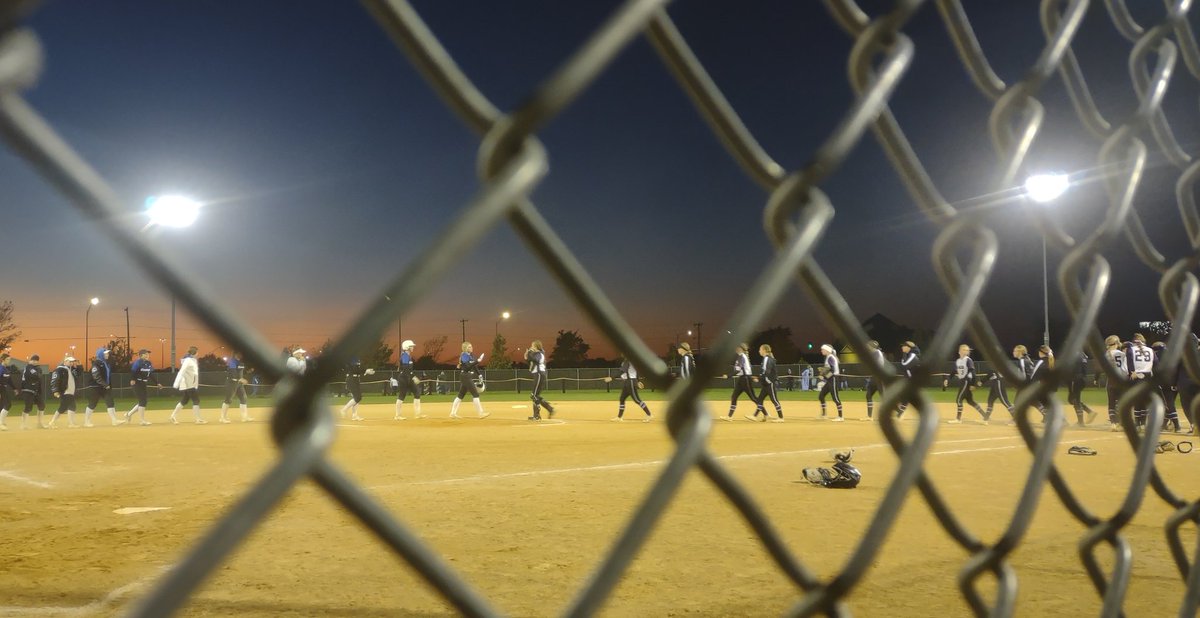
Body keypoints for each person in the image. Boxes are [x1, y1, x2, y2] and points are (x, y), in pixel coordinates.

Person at [944, 344, 988, 424]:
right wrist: (948, 379)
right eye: (964, 350)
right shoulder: (958, 361)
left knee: (959, 399)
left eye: (967, 350)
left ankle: (958, 419)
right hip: (963, 381)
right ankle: (985, 416)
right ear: (959, 351)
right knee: (970, 401)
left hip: (966, 381)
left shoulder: (968, 360)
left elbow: (972, 371)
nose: (967, 351)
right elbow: (954, 372)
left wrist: (973, 384)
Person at [83, 346, 124, 427]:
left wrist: (107, 385)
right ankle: (86, 422)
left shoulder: (105, 363)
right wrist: (105, 384)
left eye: (107, 353)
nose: (107, 355)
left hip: (105, 387)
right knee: (92, 404)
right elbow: (96, 376)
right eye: (105, 353)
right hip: (95, 387)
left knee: (110, 402)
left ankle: (114, 420)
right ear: (101, 354)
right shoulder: (96, 364)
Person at [720, 343, 761, 421]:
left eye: (737, 347)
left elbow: (738, 370)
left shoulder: (742, 356)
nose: (735, 348)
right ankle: (729, 417)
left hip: (745, 379)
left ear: (740, 349)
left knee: (753, 398)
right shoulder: (741, 356)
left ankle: (765, 413)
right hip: (742, 379)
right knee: (734, 397)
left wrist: (728, 376)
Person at [449, 342, 489, 419]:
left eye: (471, 346)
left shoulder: (470, 356)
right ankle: (481, 413)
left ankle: (452, 413)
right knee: (475, 394)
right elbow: (467, 367)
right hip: (465, 376)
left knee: (460, 395)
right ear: (465, 348)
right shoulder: (464, 355)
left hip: (466, 376)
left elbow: (474, 366)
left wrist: (479, 374)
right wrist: (477, 361)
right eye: (469, 347)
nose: (471, 348)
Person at [748, 344, 784, 422]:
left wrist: (759, 378)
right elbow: (764, 372)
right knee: (760, 399)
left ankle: (781, 418)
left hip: (770, 383)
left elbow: (766, 371)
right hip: (766, 383)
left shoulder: (767, 359)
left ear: (764, 350)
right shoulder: (767, 358)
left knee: (774, 400)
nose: (759, 351)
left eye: (760, 349)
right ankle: (755, 416)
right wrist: (759, 378)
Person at [1126, 333, 1155, 429]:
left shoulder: (1131, 349)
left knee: (1137, 399)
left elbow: (1130, 362)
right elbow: (1156, 363)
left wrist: (1132, 372)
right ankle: (1143, 423)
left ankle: (1137, 423)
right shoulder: (1150, 350)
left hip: (1136, 375)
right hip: (1148, 376)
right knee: (1144, 400)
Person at [170, 345, 205, 424]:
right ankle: (198, 419)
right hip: (188, 384)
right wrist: (176, 383)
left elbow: (194, 374)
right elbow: (182, 371)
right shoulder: (188, 360)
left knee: (184, 401)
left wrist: (195, 383)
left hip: (189, 384)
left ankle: (172, 416)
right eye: (197, 352)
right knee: (196, 400)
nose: (198, 353)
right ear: (194, 353)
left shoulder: (192, 360)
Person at [612, 356, 652, 422]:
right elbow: (636, 372)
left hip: (630, 382)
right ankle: (619, 417)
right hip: (628, 382)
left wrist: (612, 377)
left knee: (637, 400)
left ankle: (649, 415)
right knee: (622, 399)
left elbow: (622, 371)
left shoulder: (628, 361)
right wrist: (638, 381)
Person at [125, 348, 159, 425]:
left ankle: (128, 414)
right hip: (137, 383)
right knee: (142, 401)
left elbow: (150, 374)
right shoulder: (138, 362)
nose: (147, 355)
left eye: (148, 354)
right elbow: (133, 371)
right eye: (145, 354)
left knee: (143, 401)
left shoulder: (148, 363)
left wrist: (157, 383)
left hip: (143, 383)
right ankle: (141, 420)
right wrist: (132, 379)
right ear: (141, 355)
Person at [48, 355, 83, 428]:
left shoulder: (70, 369)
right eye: (70, 361)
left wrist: (79, 366)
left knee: (67, 407)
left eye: (72, 362)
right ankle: (55, 422)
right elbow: (54, 380)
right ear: (65, 362)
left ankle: (66, 423)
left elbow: (79, 374)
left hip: (70, 392)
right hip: (65, 391)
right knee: (67, 406)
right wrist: (55, 390)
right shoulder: (60, 369)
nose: (71, 363)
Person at [394, 340, 425, 420]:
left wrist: (412, 376)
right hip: (403, 378)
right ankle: (397, 415)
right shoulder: (405, 355)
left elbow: (409, 369)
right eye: (411, 346)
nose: (413, 347)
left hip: (408, 377)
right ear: (407, 347)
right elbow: (405, 368)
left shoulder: (408, 356)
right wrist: (413, 377)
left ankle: (418, 414)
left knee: (417, 393)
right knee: (402, 395)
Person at [1104, 335, 1129, 431]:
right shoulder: (1122, 354)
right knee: (1120, 402)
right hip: (1121, 380)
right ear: (1116, 344)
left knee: (1111, 403)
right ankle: (1120, 422)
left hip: (1111, 380)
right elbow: (1125, 369)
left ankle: (1113, 423)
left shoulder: (1105, 355)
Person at [220, 352, 252, 423]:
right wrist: (241, 379)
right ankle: (222, 418)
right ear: (236, 354)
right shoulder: (232, 362)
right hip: (231, 383)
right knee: (228, 399)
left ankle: (244, 417)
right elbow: (233, 373)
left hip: (239, 383)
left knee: (243, 398)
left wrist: (249, 371)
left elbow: (241, 372)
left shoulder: (241, 362)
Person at [1068, 351, 1097, 427]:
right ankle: (1089, 412)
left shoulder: (1074, 354)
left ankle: (1081, 422)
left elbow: (1071, 368)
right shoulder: (1083, 354)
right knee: (1073, 399)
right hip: (1083, 378)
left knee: (1075, 400)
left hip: (1075, 378)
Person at [19, 354, 47, 429]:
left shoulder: (37, 368)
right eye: (33, 360)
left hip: (36, 390)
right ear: (30, 360)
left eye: (36, 360)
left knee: (42, 405)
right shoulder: (28, 367)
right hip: (27, 389)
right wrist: (38, 374)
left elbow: (39, 377)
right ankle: (23, 425)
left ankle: (39, 423)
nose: (35, 362)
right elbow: (37, 375)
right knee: (28, 407)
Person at [818, 344, 844, 421]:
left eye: (822, 349)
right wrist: (823, 372)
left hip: (833, 379)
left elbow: (833, 370)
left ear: (827, 350)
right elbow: (829, 369)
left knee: (835, 398)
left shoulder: (830, 357)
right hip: (830, 379)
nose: (821, 351)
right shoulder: (828, 357)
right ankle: (824, 415)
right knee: (821, 396)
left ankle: (840, 417)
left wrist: (824, 377)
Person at [338, 357, 369, 421]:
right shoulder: (351, 358)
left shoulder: (356, 358)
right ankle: (344, 410)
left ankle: (355, 415)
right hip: (351, 379)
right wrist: (365, 371)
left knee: (357, 398)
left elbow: (358, 369)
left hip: (356, 379)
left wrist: (365, 371)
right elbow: (354, 369)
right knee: (358, 397)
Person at [863, 340, 887, 421]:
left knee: (883, 397)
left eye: (868, 346)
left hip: (879, 377)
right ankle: (869, 417)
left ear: (872, 346)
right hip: (874, 377)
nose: (867, 347)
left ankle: (897, 412)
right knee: (868, 395)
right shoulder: (873, 353)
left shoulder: (877, 352)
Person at [896, 341, 920, 418]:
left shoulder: (913, 355)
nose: (902, 347)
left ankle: (900, 412)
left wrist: (904, 354)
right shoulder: (909, 355)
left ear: (908, 347)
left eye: (904, 346)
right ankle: (900, 412)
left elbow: (904, 365)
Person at [0, 354, 14, 430]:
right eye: (8, 359)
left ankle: (1, 422)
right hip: (1, 388)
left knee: (3, 405)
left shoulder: (6, 369)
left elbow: (9, 381)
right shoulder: (1, 369)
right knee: (8, 404)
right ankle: (1, 423)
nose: (9, 361)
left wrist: (14, 388)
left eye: (9, 359)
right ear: (3, 360)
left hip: (4, 388)